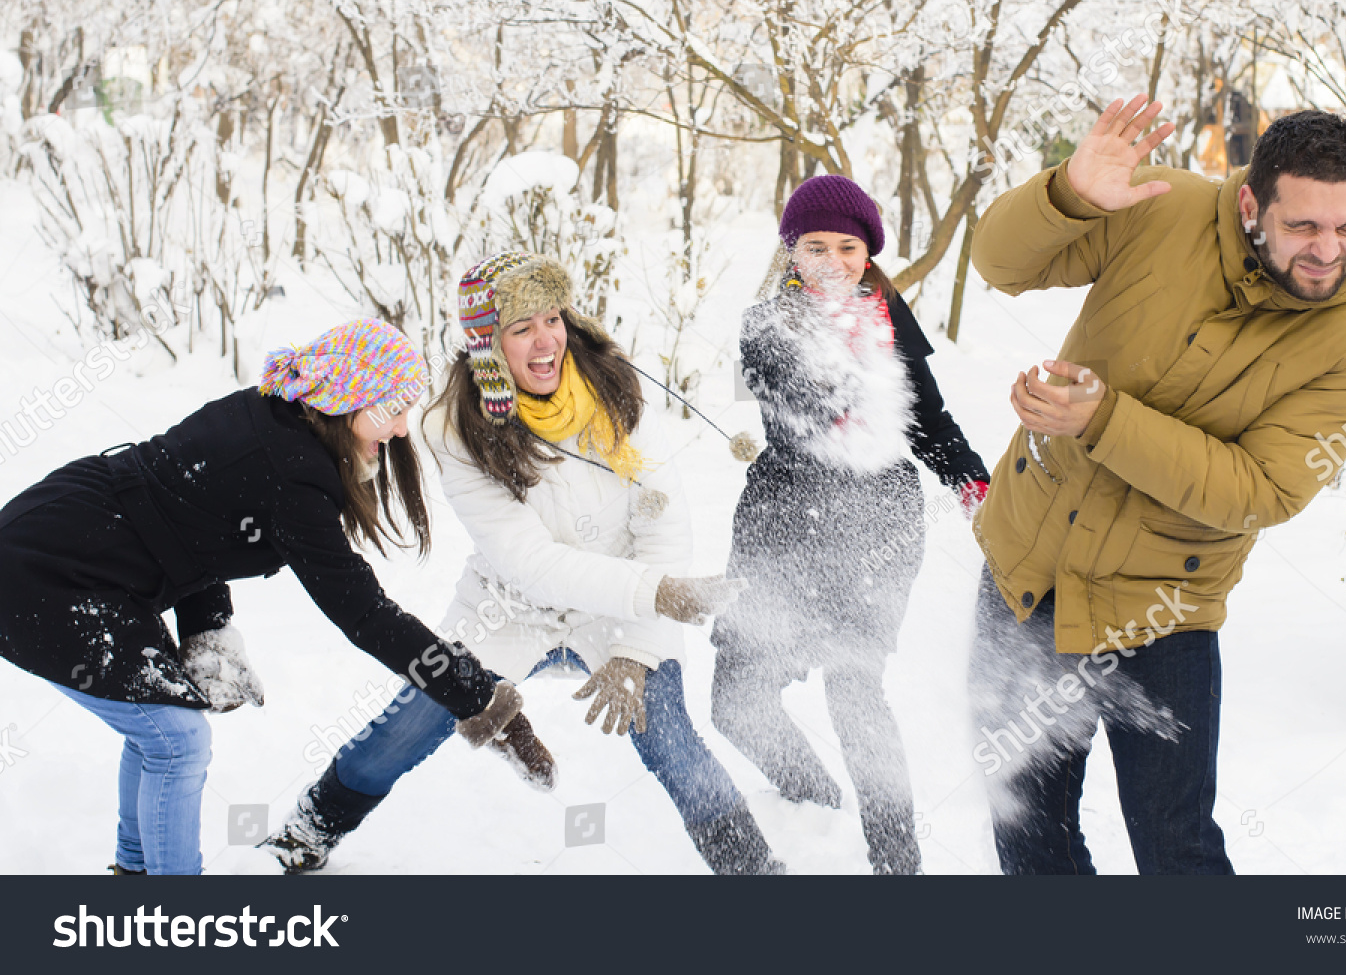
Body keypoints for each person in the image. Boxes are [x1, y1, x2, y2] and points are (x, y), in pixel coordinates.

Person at [966, 95, 1346, 874]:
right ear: (1249, 204)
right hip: (1028, 573)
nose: (1328, 251)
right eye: (1302, 225)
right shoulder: (1162, 212)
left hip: (1163, 609)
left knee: (1177, 851)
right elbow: (999, 264)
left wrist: (1100, 420)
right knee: (1028, 831)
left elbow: (1261, 489)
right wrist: (1067, 196)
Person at [265, 252, 781, 875]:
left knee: (670, 739)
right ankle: (305, 835)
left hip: (622, 606)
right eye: (521, 329)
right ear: (488, 345)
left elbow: (662, 522)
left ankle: (756, 873)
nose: (546, 343)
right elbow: (529, 561)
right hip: (507, 608)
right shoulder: (450, 427)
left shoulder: (615, 393)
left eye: (552, 318)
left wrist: (640, 647)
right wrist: (658, 593)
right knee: (409, 723)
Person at [0, 319, 528, 875]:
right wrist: (475, 694)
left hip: (78, 543)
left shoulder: (272, 414)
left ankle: (136, 877)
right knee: (175, 742)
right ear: (349, 398)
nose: (401, 429)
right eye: (393, 408)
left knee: (159, 728)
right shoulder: (294, 474)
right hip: (47, 573)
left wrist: (207, 626)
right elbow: (364, 613)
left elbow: (188, 513)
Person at [711, 175, 989, 875]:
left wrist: (973, 483)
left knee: (854, 687)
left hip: (876, 523)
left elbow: (927, 420)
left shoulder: (890, 315)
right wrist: (845, 342)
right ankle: (813, 798)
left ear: (868, 255)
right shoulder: (766, 326)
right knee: (735, 699)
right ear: (790, 252)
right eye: (814, 246)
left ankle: (899, 864)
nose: (832, 260)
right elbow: (804, 403)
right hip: (781, 519)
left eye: (847, 246)